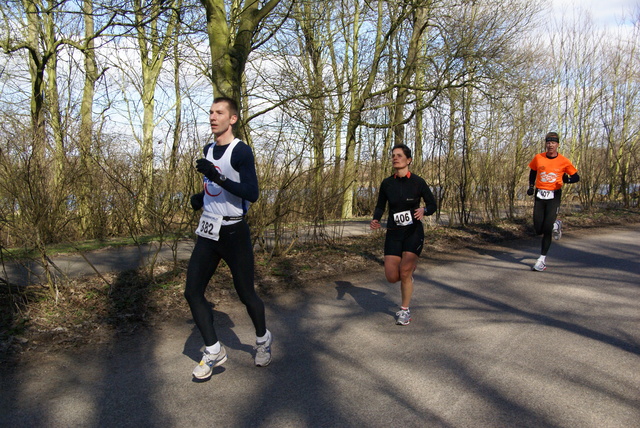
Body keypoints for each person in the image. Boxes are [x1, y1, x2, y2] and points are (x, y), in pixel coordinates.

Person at [184, 97, 272, 380]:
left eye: (219, 112)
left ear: (232, 119)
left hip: (234, 232)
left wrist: (217, 178)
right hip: (209, 231)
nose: (212, 116)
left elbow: (252, 193)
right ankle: (213, 350)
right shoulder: (208, 149)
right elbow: (213, 186)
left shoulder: (241, 151)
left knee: (246, 294)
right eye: (210, 112)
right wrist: (201, 197)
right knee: (192, 291)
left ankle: (262, 339)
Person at [370, 144, 437, 325]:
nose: (395, 158)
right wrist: (376, 219)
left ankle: (404, 310)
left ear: (408, 160)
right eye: (393, 156)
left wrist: (424, 210)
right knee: (392, 277)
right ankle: (407, 275)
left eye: (399, 155)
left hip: (413, 232)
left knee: (405, 271)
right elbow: (380, 206)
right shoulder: (387, 183)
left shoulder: (418, 182)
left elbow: (433, 205)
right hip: (393, 232)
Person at [527, 131, 580, 272]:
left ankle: (541, 260)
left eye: (553, 143)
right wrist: (531, 187)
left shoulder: (563, 161)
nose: (550, 145)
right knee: (538, 228)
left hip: (554, 195)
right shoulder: (538, 158)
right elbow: (532, 171)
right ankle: (556, 224)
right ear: (545, 144)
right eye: (548, 142)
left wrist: (566, 180)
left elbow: (576, 177)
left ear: (558, 145)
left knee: (546, 229)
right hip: (540, 194)